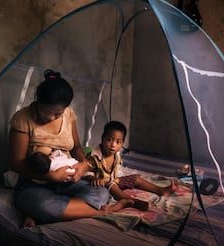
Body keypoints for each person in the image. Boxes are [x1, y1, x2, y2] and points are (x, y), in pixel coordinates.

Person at [9, 69, 133, 227]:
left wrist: (83, 165)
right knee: (42, 204)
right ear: (39, 102)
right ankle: (101, 211)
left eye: (59, 113)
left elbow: (76, 147)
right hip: (35, 182)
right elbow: (16, 163)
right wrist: (51, 177)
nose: (55, 117)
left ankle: (43, 215)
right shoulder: (22, 119)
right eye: (50, 112)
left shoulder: (68, 114)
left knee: (101, 192)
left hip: (67, 180)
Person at [86, 121, 177, 210]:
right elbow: (85, 172)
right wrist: (94, 179)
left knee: (135, 179)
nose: (113, 145)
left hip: (114, 181)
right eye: (109, 140)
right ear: (102, 138)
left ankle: (161, 191)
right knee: (111, 185)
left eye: (118, 142)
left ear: (122, 143)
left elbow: (116, 172)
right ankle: (133, 202)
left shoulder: (116, 155)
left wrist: (121, 180)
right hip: (101, 185)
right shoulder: (94, 156)